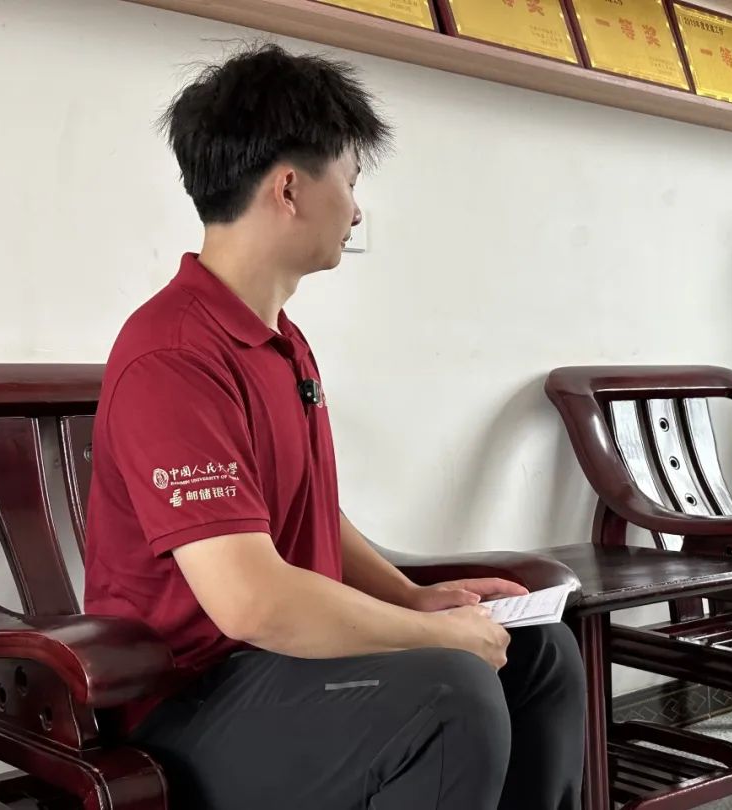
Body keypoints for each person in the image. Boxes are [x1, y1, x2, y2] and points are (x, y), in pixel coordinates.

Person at [83, 43, 585, 810]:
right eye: (349, 182)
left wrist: (413, 598)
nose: (354, 210)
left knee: (539, 651)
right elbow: (251, 602)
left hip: (284, 663)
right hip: (190, 698)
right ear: (290, 188)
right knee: (449, 692)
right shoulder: (174, 356)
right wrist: (434, 636)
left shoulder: (279, 340)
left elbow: (310, 511)